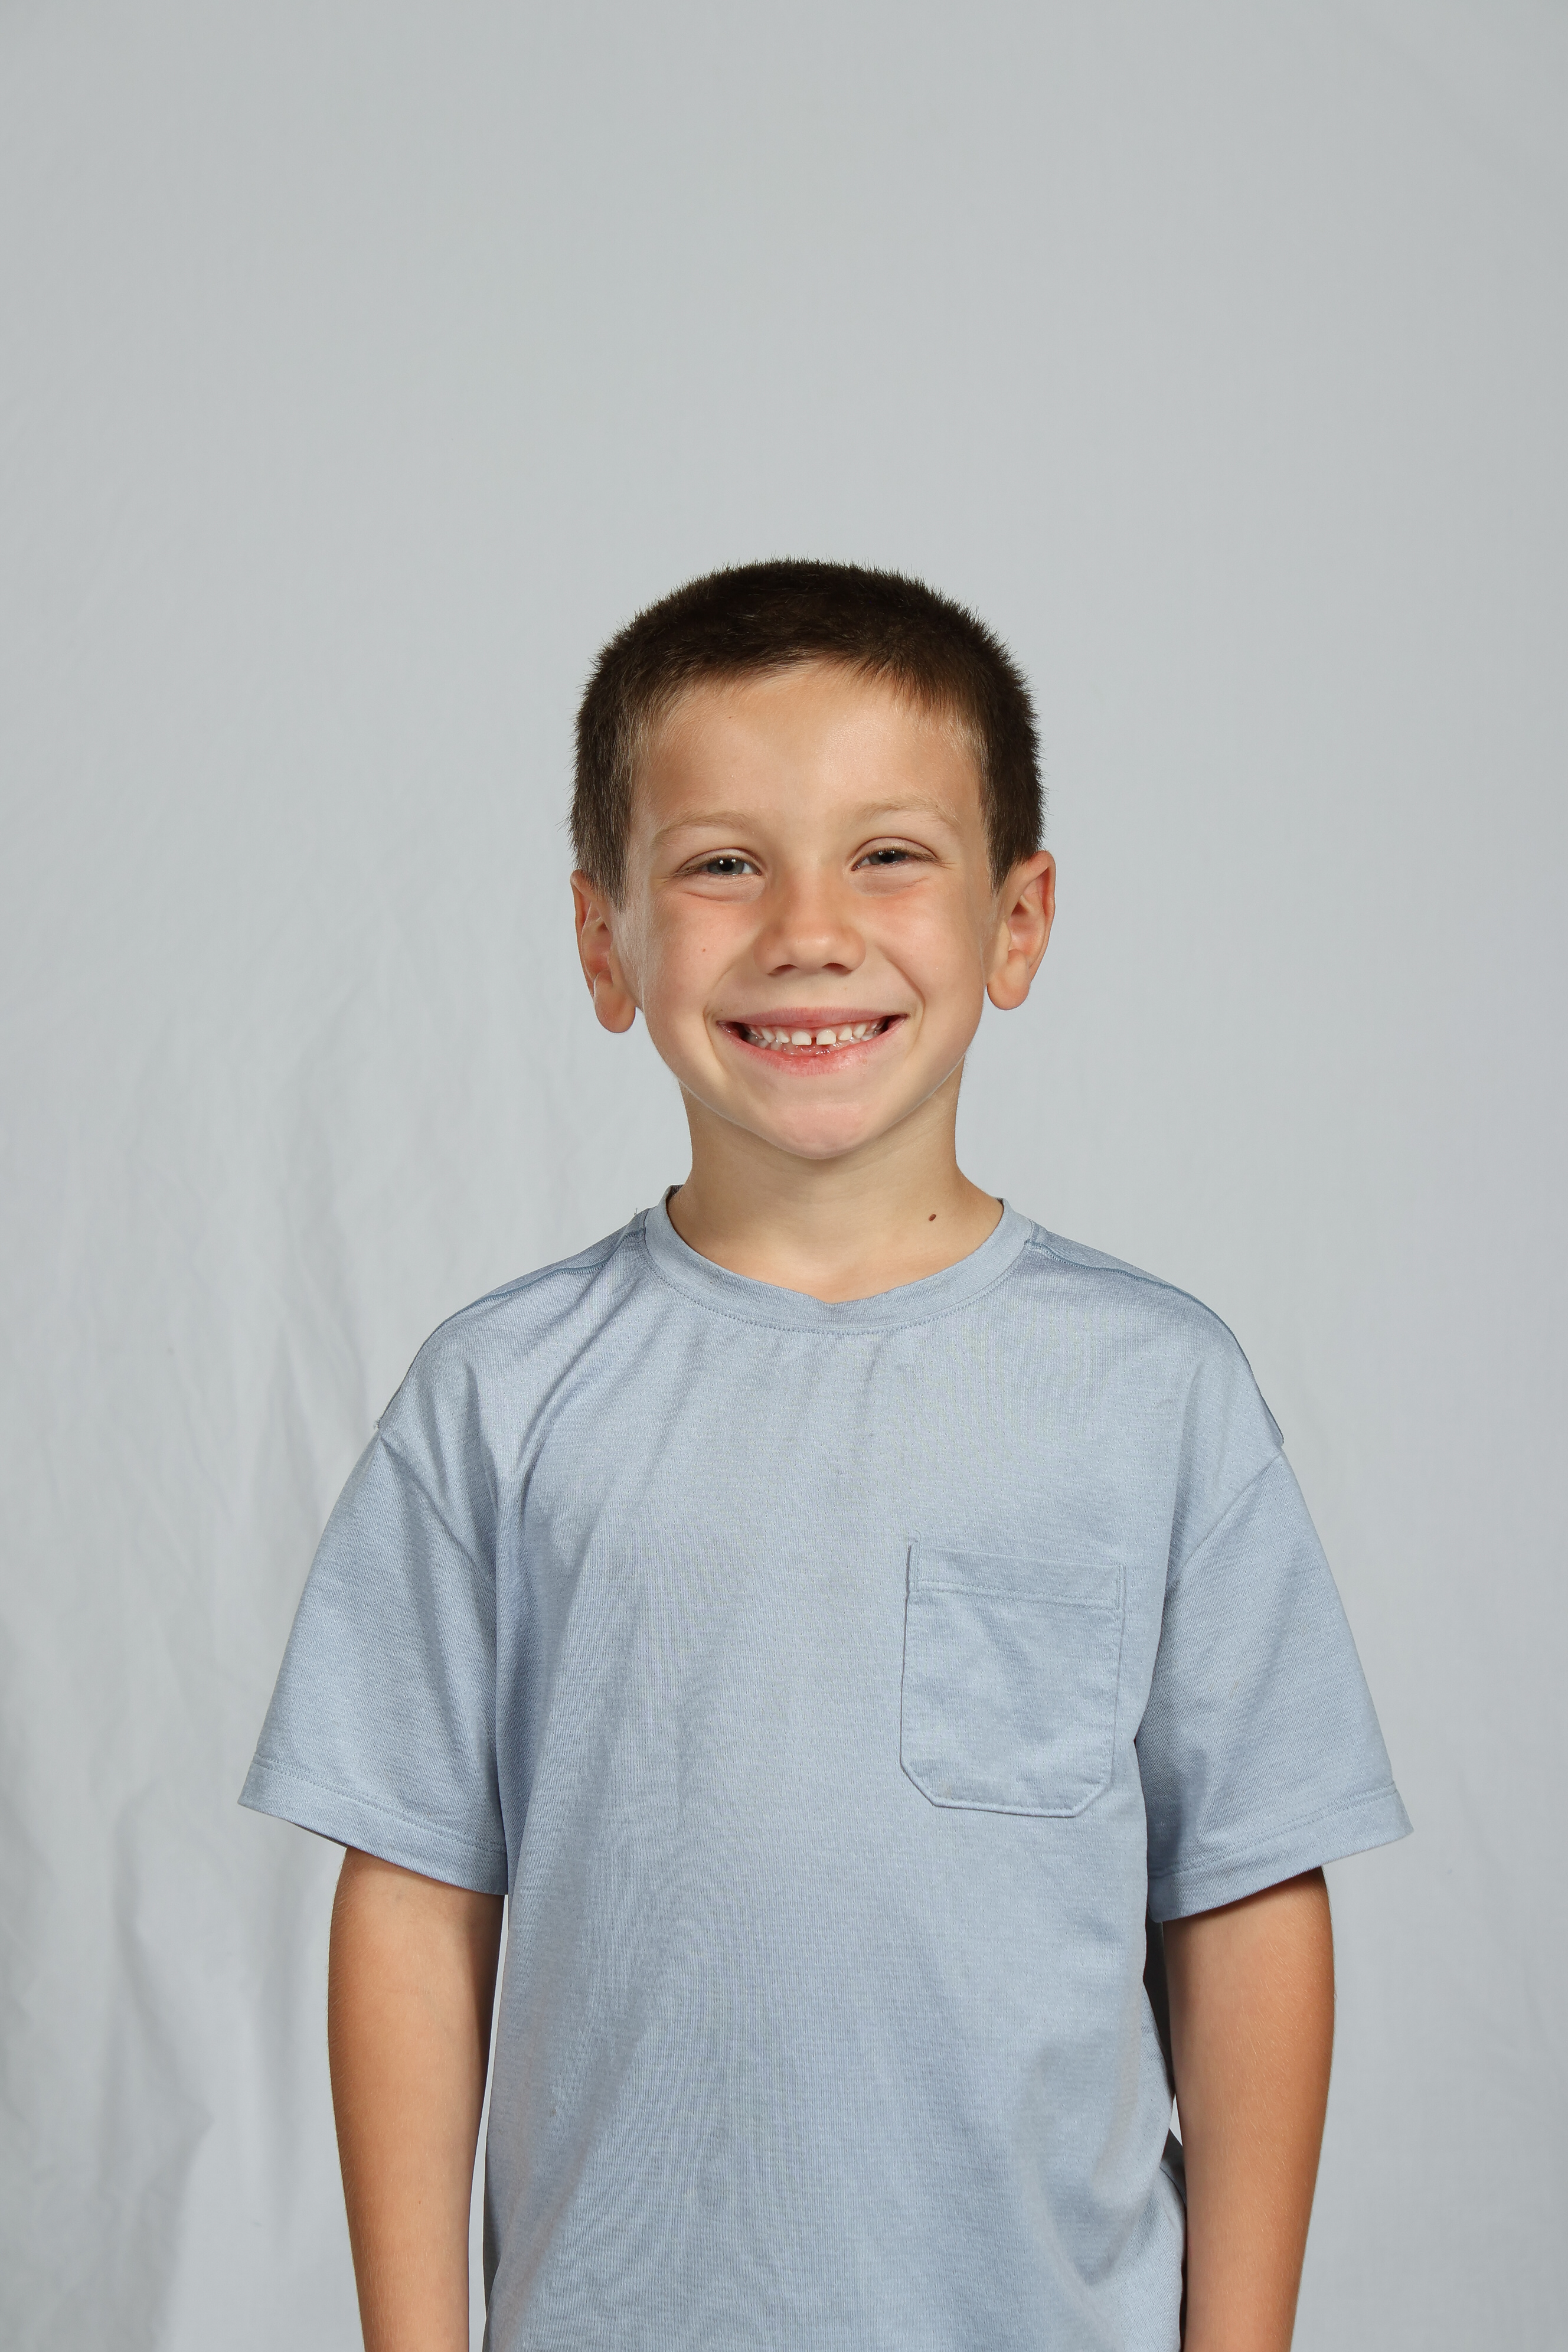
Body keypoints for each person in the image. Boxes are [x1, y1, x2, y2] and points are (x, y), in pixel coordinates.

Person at [241, 560, 1410, 2352]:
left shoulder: (1154, 1395)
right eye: (724, 863)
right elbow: (413, 1897)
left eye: (888, 856)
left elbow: (1245, 1897)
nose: (809, 929)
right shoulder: (499, 1399)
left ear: (1018, 922)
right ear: (604, 942)